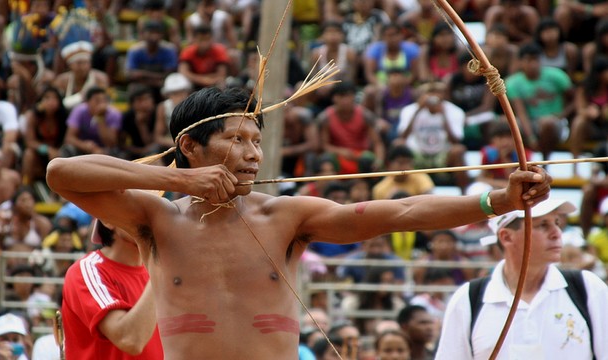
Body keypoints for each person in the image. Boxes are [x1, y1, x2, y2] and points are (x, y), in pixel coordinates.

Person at [46, 86, 552, 359]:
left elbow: (402, 211)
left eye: (256, 141)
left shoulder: (283, 215)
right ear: (190, 147)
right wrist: (184, 184)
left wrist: (496, 200)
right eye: (236, 140)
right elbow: (62, 173)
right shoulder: (154, 216)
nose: (251, 155)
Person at [435, 198, 608, 359]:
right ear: (506, 237)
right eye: (542, 225)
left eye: (556, 223)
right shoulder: (468, 298)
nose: (557, 233)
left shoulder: (588, 287)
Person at [61, 220, 163, 359]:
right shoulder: (87, 270)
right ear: (107, 220)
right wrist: (161, 267)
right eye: (137, 207)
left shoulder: (157, 272)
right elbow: (130, 340)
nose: (149, 218)